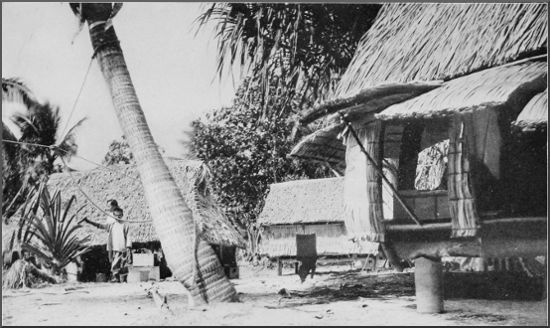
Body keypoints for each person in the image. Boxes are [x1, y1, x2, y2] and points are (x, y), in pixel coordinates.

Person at [83, 204, 132, 283]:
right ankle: (116, 277)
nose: (118, 217)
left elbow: (128, 235)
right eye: (116, 216)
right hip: (114, 246)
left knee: (123, 263)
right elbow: (100, 226)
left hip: (123, 247)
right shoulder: (111, 225)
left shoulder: (125, 224)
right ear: (114, 216)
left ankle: (123, 278)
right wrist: (89, 221)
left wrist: (128, 246)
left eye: (119, 216)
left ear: (122, 215)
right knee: (115, 262)